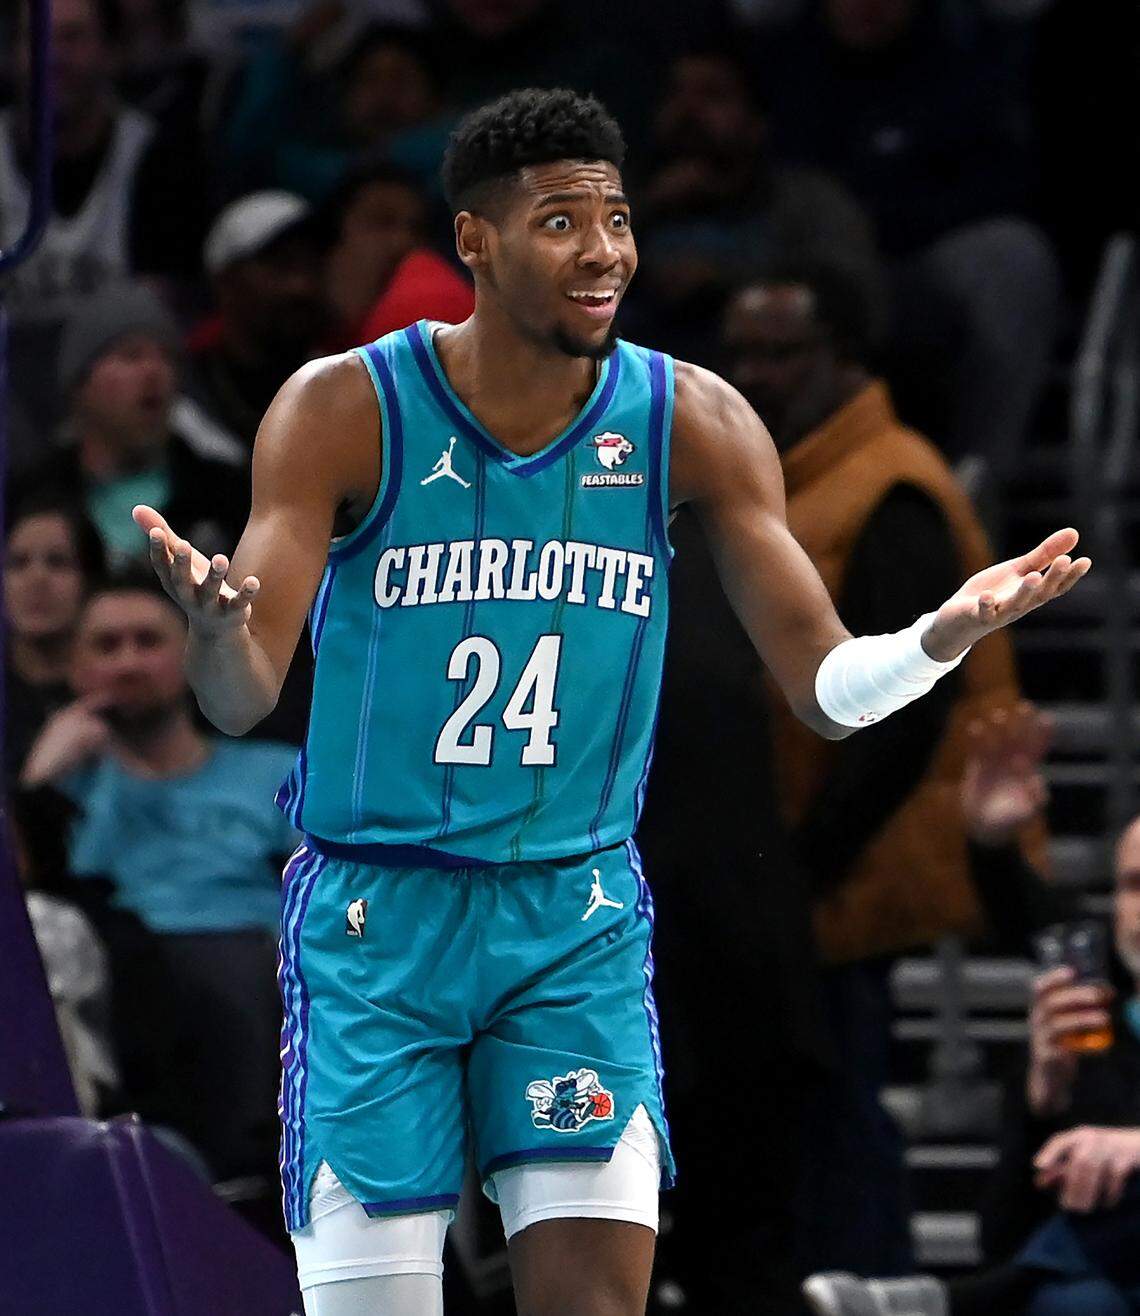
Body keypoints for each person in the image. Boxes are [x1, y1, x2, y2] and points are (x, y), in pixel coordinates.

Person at [134, 88, 1087, 1316]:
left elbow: (827, 688)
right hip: (380, 916)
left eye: (619, 218)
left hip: (568, 917)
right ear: (474, 241)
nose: (605, 251)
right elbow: (237, 693)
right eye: (561, 221)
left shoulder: (696, 418)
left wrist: (933, 640)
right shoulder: (341, 407)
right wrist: (214, 631)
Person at [18, 571, 300, 1182]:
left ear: (191, 655)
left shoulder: (274, 772)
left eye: (148, 642)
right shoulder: (60, 789)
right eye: (106, 645)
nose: (127, 662)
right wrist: (37, 782)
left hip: (257, 974)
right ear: (75, 670)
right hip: (113, 991)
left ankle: (244, 1179)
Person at [805, 804, 1140, 1316]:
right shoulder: (1087, 1034)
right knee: (1072, 1302)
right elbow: (1000, 1236)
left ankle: (950, 1303)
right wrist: (1041, 1104)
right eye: (1134, 885)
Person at [0, 0, 210, 435]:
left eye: (72, 38)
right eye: (35, 39)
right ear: (10, 53)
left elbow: (160, 318)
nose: (51, 55)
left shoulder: (159, 160)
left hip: (119, 410)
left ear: (112, 52)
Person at [628, 45, 879, 365]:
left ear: (757, 121)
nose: (687, 110)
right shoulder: (620, 196)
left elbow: (858, 304)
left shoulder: (809, 201)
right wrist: (645, 208)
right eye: (674, 93)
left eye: (713, 96)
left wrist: (725, 279)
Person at [9, 281, 248, 568]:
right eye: (131, 355)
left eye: (167, 357)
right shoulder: (28, 498)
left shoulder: (225, 495)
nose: (154, 371)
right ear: (80, 383)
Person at [4, 496, 106, 781]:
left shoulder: (119, 689)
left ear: (91, 580)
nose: (37, 578)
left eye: (58, 562)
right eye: (18, 563)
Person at [322, 162, 474, 351]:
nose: (403, 241)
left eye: (416, 228)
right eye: (382, 221)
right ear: (332, 237)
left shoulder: (427, 311)